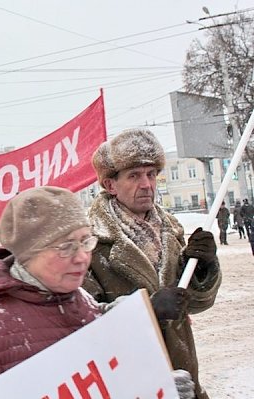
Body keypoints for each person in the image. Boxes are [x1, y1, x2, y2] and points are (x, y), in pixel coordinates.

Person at [0, 186, 195, 399]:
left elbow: (104, 381)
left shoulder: (79, 299)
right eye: (65, 247)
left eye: (86, 241)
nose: (82, 257)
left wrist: (155, 387)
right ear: (28, 253)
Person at [85, 128, 221, 399]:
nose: (146, 184)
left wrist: (204, 268)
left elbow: (195, 304)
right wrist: (146, 311)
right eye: (134, 176)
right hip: (130, 383)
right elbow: (86, 326)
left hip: (184, 378)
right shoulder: (89, 241)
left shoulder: (171, 231)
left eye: (150, 174)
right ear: (110, 185)